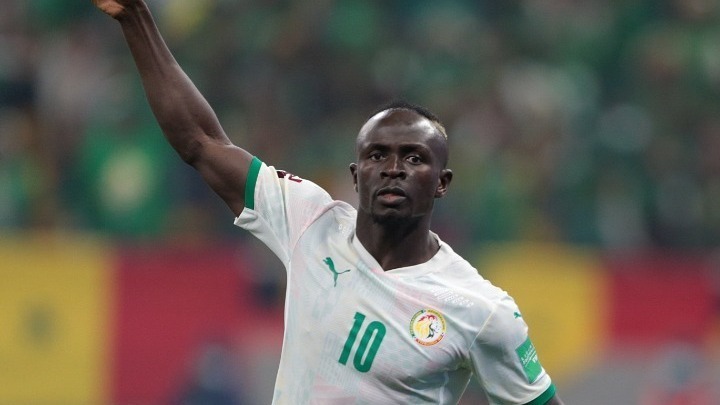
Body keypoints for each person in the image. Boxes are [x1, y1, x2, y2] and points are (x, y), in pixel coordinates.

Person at [92, 1, 564, 403]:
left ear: (442, 183)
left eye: (414, 158)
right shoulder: (311, 220)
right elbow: (201, 142)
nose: (394, 168)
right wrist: (135, 18)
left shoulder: (480, 310)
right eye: (377, 155)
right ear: (356, 176)